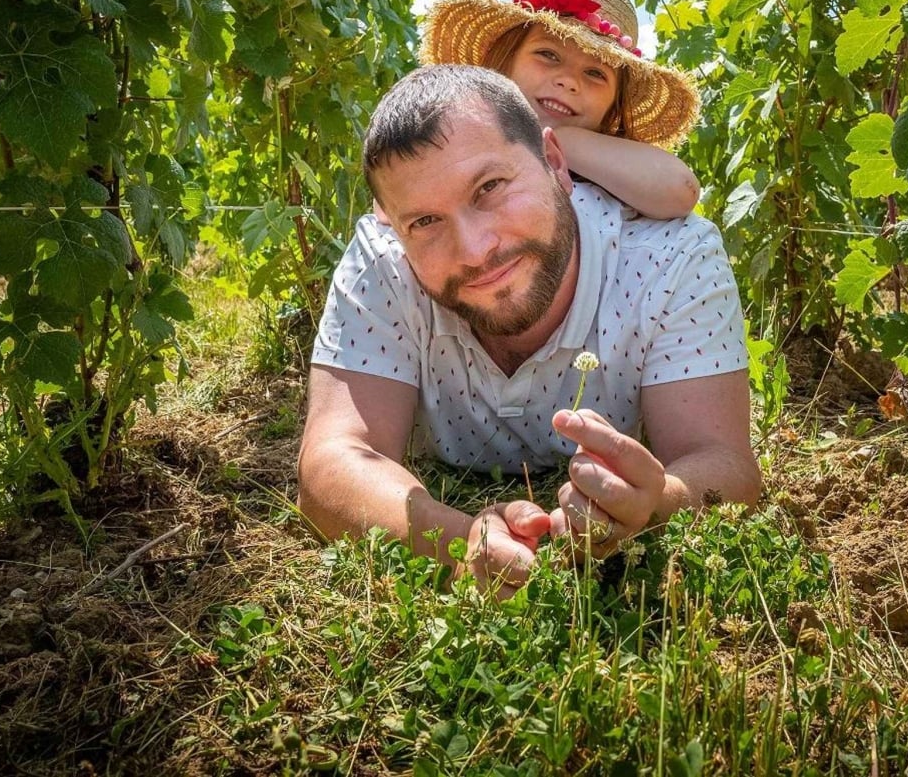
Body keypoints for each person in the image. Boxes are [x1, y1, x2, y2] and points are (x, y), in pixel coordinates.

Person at [296, 64, 761, 597]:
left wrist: (657, 504)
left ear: (556, 162)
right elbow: (333, 462)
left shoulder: (672, 257)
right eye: (424, 222)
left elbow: (724, 462)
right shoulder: (382, 262)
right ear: (392, 226)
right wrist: (458, 539)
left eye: (490, 187)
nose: (475, 250)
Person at [419, 0, 701, 220]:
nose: (568, 81)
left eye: (595, 73)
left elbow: (682, 189)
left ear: (613, 109)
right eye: (548, 55)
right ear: (505, 62)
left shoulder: (611, 176)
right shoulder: (454, 137)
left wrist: (561, 140)